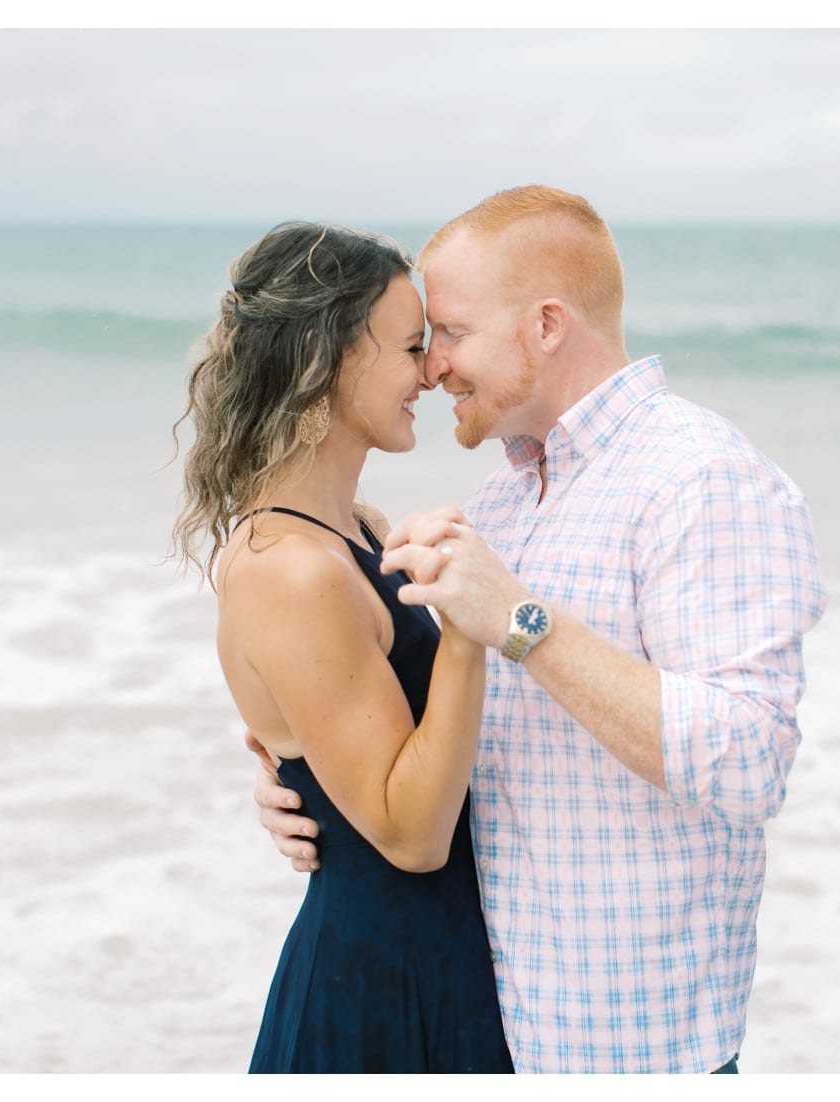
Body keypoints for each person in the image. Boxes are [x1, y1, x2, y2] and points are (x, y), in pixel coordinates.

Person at [254, 185, 827, 1073]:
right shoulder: (502, 503)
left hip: (632, 1058)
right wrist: (311, 789)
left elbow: (750, 762)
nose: (432, 364)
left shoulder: (699, 477)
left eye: (451, 332)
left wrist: (524, 625)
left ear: (548, 325)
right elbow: (466, 755)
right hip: (485, 1032)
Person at [171, 222, 513, 1073]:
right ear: (329, 359)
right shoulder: (289, 569)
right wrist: (467, 628)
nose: (432, 372)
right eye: (409, 347)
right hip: (380, 993)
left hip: (435, 963)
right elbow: (411, 836)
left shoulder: (351, 531)